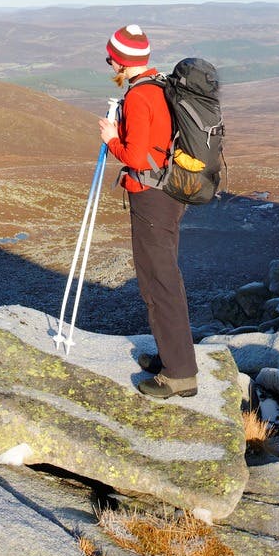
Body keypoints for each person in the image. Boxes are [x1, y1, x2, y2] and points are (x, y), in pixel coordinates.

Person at [99, 24, 198, 399]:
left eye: (112, 57)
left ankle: (180, 375)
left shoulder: (141, 97)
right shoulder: (159, 85)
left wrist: (111, 140)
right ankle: (172, 358)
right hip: (169, 191)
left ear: (122, 61)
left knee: (158, 282)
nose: (109, 62)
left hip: (152, 196)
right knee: (162, 277)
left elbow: (137, 156)